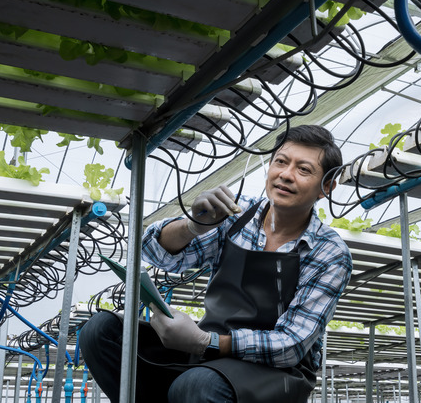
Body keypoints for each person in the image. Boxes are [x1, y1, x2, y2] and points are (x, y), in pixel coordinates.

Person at [79, 125, 352, 403]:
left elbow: (291, 344)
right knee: (101, 331)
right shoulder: (234, 213)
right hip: (207, 354)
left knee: (197, 385)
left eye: (303, 170)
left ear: (326, 187)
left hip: (276, 372)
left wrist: (204, 342)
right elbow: (153, 252)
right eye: (281, 162)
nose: (286, 175)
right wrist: (192, 226)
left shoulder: (329, 252)